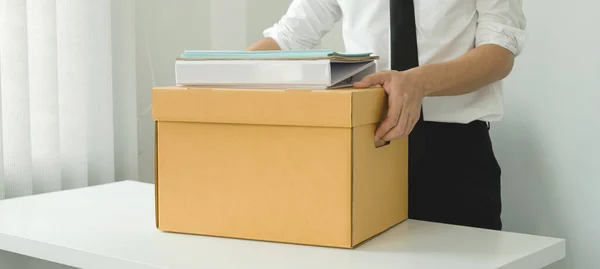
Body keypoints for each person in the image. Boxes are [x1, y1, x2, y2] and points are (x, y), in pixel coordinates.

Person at [248, 0, 527, 230]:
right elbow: (288, 37)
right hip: (365, 147)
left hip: (453, 156)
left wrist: (418, 83)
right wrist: (214, 72)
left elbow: (498, 52)